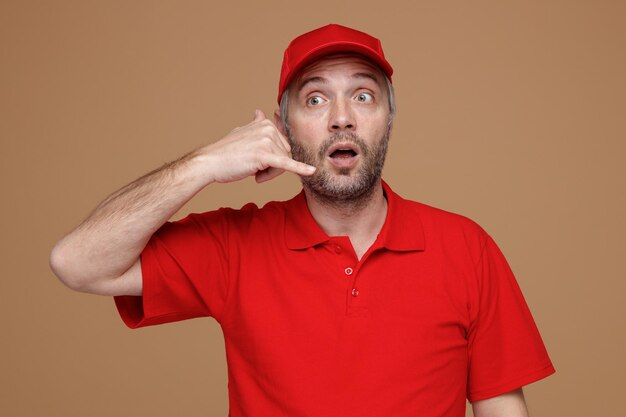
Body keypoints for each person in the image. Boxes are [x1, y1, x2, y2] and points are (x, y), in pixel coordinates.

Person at [50, 24, 555, 417]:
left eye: (363, 95)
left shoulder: (466, 247)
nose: (341, 117)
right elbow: (77, 262)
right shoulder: (236, 246)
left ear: (388, 121)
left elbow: (502, 407)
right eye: (315, 99)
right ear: (283, 126)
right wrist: (202, 164)